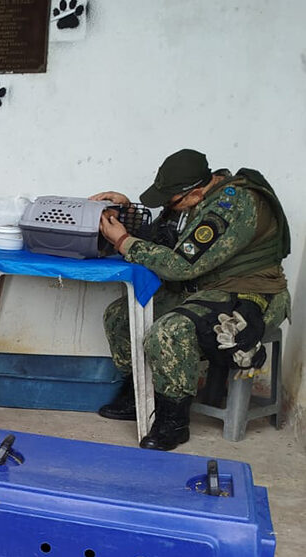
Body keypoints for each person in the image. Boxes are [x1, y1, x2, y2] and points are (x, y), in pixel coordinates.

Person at [93, 149, 290, 451]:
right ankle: (139, 395)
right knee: (121, 316)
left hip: (248, 294)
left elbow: (180, 265)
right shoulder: (198, 198)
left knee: (170, 331)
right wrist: (127, 211)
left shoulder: (230, 206)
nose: (168, 208)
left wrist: (122, 241)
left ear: (195, 193)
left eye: (170, 202)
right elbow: (165, 237)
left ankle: (173, 422)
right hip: (203, 288)